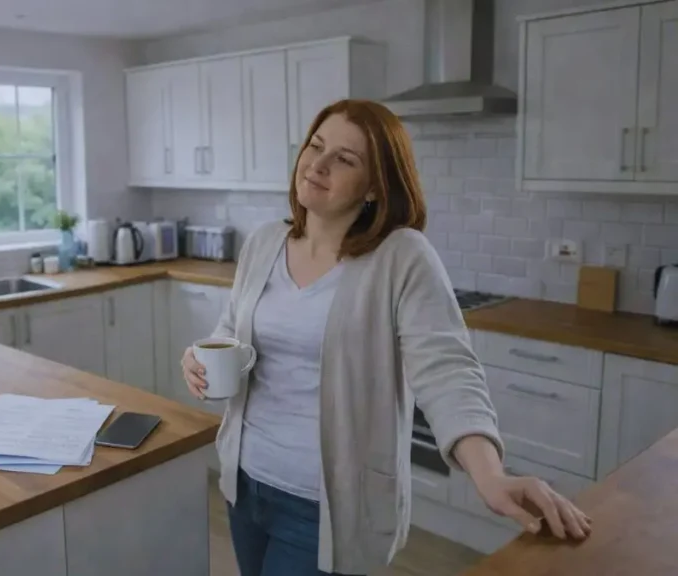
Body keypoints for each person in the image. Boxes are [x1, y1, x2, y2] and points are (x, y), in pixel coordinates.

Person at [180, 99, 591, 576]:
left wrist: (490, 474)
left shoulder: (401, 257)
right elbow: (232, 330)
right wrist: (200, 357)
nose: (318, 164)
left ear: (375, 186)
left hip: (325, 507)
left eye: (344, 159)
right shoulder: (264, 242)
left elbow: (447, 370)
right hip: (245, 483)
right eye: (316, 146)